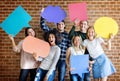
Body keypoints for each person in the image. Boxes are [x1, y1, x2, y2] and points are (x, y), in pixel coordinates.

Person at [40, 9, 71, 81]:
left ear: (64, 25)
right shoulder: (53, 33)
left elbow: (69, 48)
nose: (60, 25)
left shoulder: (67, 35)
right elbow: (43, 26)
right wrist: (42, 16)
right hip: (52, 58)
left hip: (62, 59)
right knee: (50, 76)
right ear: (57, 25)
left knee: (61, 78)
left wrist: (68, 60)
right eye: (59, 24)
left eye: (62, 24)